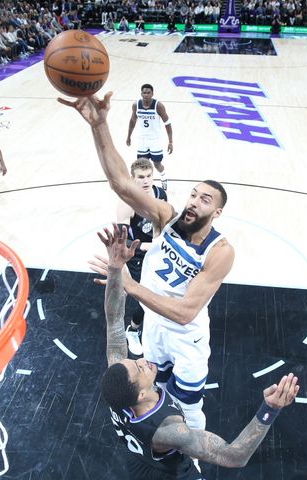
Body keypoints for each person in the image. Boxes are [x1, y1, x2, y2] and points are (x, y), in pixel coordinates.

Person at [97, 223, 298, 480]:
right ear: (139, 395)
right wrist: (270, 409)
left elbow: (113, 323)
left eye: (133, 362)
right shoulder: (169, 431)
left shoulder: (118, 385)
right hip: (168, 473)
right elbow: (235, 456)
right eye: (139, 369)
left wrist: (115, 268)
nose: (141, 361)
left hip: (137, 460)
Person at [62, 92, 235, 432]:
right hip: (155, 327)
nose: (194, 202)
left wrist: (130, 285)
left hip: (188, 338)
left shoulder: (220, 251)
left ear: (216, 212)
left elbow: (186, 312)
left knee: (188, 404)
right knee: (154, 394)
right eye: (193, 194)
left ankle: (193, 453)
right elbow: (120, 183)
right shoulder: (166, 217)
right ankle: (158, 442)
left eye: (205, 199)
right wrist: (99, 127)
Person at [118, 158, 169, 356]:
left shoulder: (160, 194)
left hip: (156, 251)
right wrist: (151, 245)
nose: (146, 181)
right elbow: (122, 243)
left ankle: (145, 327)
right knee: (148, 298)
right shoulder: (127, 204)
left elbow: (162, 224)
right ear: (133, 178)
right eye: (141, 177)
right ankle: (132, 329)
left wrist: (161, 242)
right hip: (136, 256)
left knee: (160, 294)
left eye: (149, 176)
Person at [126, 84, 174, 189]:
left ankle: (163, 177)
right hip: (142, 140)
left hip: (155, 140)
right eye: (144, 93)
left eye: (148, 93)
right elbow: (133, 120)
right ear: (141, 93)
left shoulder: (158, 106)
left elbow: (167, 123)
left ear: (152, 94)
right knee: (142, 165)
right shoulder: (136, 105)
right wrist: (129, 135)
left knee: (157, 164)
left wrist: (170, 142)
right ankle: (142, 185)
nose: (146, 95)